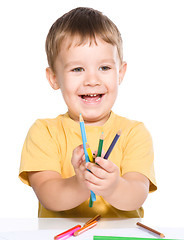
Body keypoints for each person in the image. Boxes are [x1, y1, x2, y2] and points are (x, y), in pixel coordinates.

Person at [19, 7, 157, 218]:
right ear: (54, 78)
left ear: (120, 73)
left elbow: (137, 194)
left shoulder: (133, 133)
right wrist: (80, 183)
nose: (92, 80)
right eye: (77, 69)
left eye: (104, 68)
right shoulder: (44, 132)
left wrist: (114, 187)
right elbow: (48, 195)